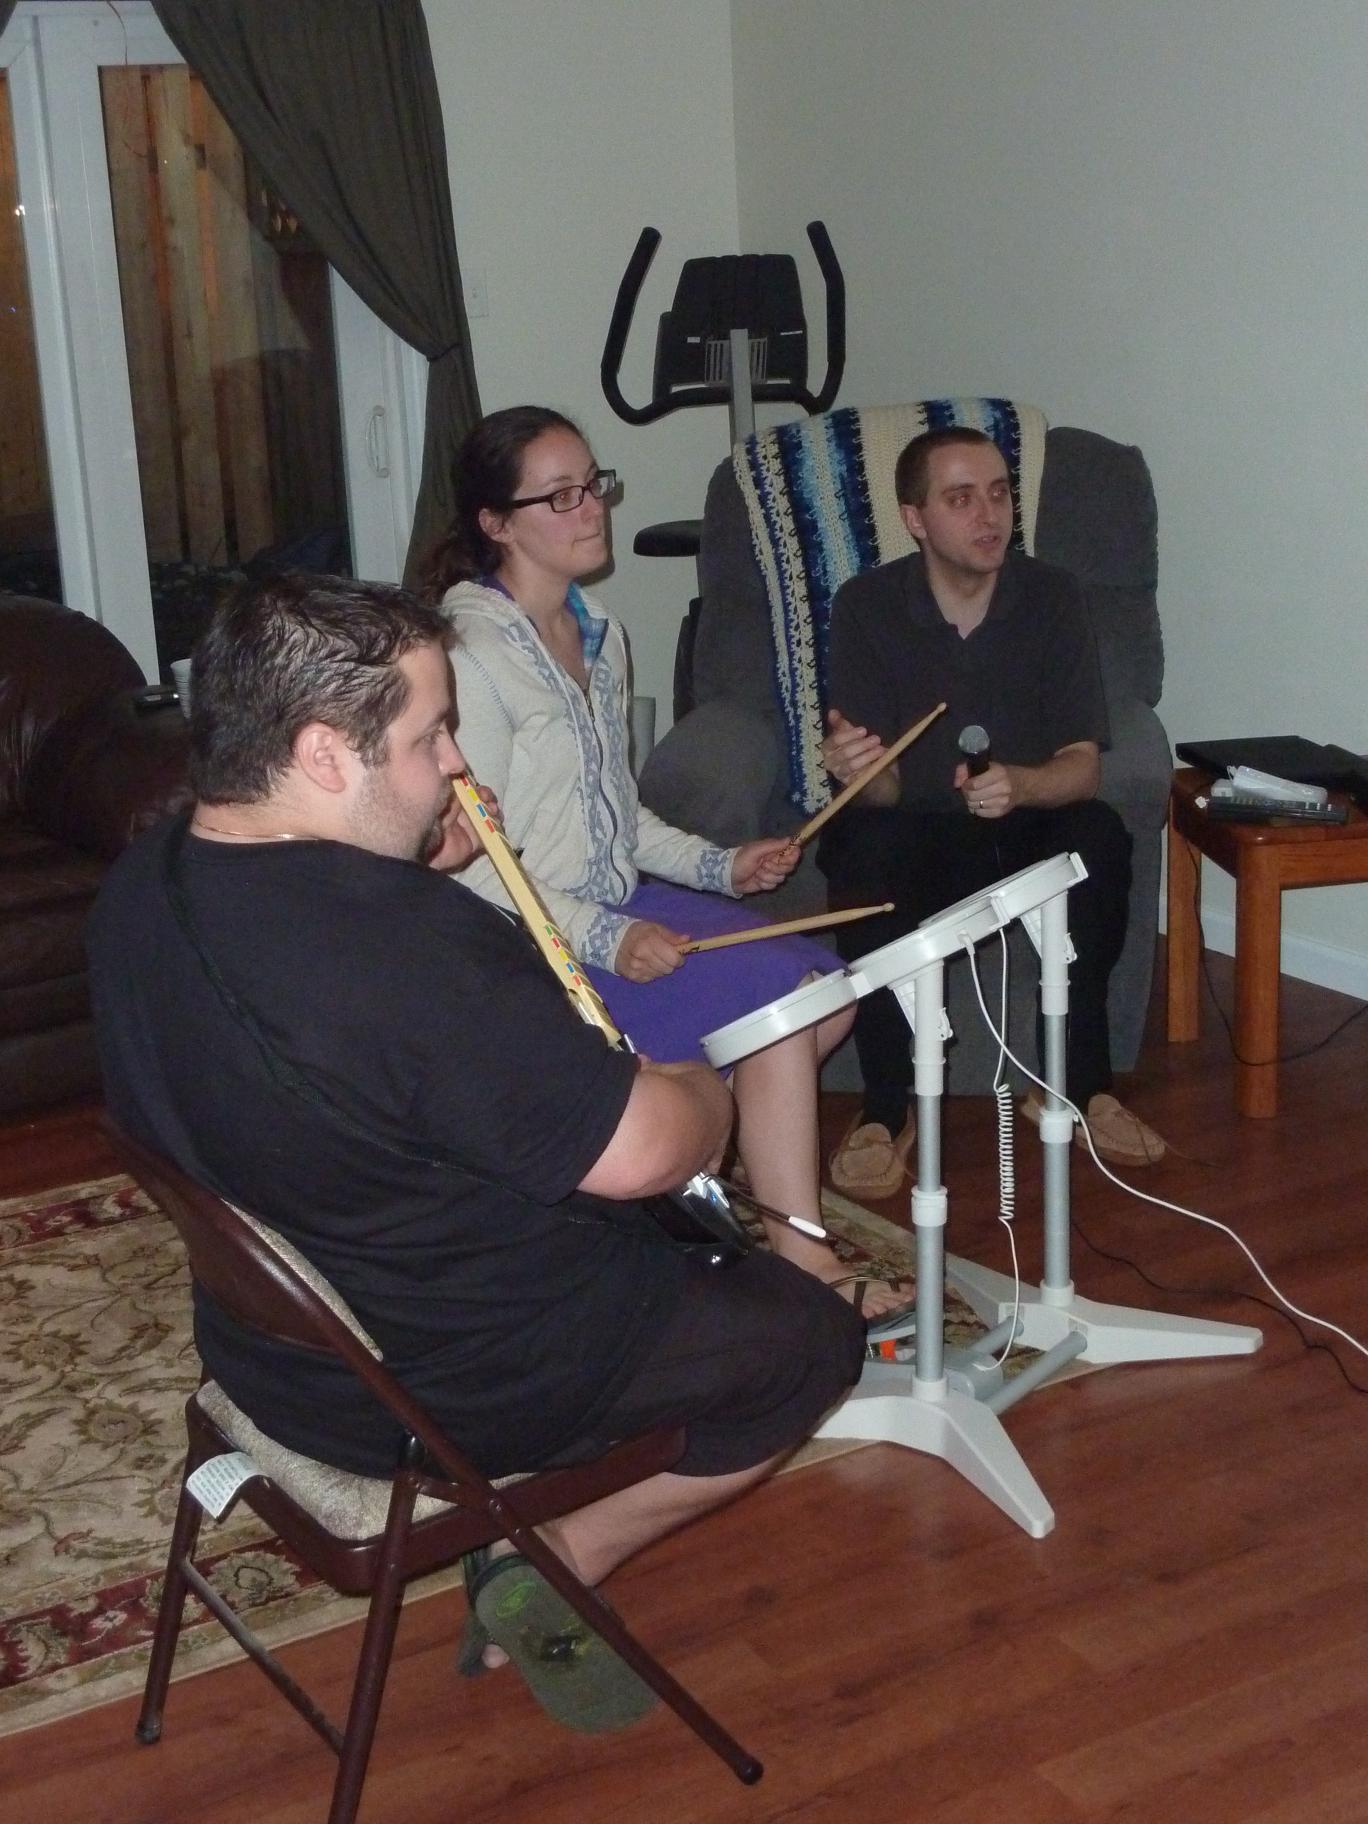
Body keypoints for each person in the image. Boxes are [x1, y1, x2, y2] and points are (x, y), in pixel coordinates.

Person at [87, 572, 864, 1723]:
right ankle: (555, 1554)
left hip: (274, 1348)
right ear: (321, 755)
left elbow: (346, 1010)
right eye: (428, 734)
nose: (455, 763)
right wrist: (702, 1080)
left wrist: (404, 853)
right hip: (442, 1384)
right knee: (811, 1338)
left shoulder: (143, 882)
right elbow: (648, 1152)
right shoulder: (409, 955)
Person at [423, 405, 911, 1318]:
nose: (590, 509)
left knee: (828, 993)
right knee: (773, 1010)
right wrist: (609, 936)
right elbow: (471, 860)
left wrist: (721, 867)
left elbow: (619, 810)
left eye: (593, 484)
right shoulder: (469, 653)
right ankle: (800, 1258)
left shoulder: (597, 631)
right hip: (526, 936)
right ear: (495, 523)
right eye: (558, 495)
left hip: (617, 899)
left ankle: (691, 1200)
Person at [818, 426, 1166, 1194]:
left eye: (1001, 494)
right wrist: (861, 770)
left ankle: (1081, 1087)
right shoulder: (868, 605)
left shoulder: (1053, 597)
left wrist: (1021, 783)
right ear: (916, 518)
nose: (990, 515)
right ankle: (886, 1107)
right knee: (859, 845)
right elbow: (878, 794)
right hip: (916, 830)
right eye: (961, 498)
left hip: (1029, 823)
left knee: (1100, 838)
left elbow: (1081, 767)